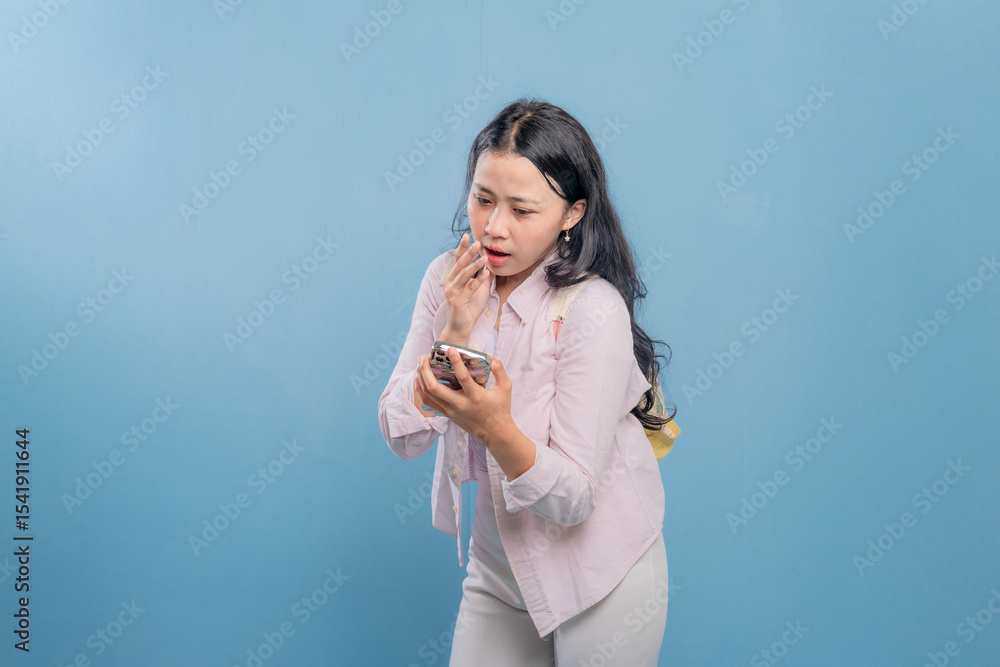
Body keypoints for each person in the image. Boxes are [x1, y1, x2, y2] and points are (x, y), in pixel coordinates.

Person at [377, 98, 675, 666]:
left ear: (572, 214)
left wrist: (494, 428)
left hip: (601, 574)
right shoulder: (447, 279)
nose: (494, 226)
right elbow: (401, 434)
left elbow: (576, 497)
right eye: (483, 199)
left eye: (522, 209)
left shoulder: (591, 308)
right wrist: (454, 331)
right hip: (499, 569)